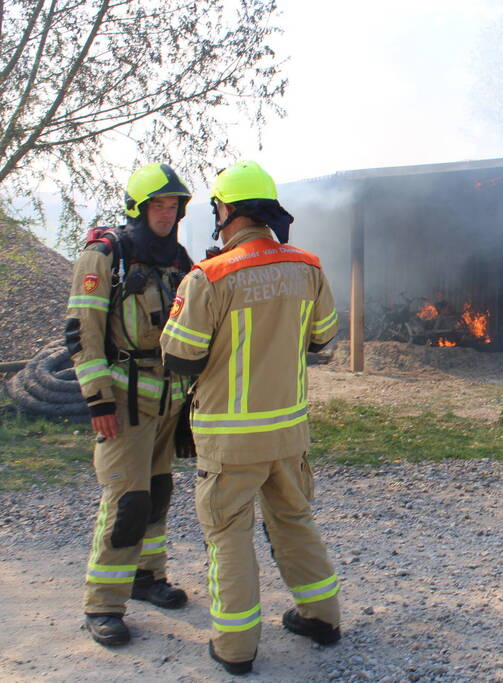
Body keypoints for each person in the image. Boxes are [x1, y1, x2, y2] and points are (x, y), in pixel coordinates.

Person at [160, 160, 341, 675]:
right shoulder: (308, 266)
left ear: (227, 211)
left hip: (229, 442)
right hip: (288, 432)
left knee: (229, 536)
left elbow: (179, 356)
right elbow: (323, 338)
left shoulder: (211, 275)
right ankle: (322, 617)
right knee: (294, 521)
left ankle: (236, 649)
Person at [66, 163, 194, 646]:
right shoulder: (106, 255)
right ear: (138, 209)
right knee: (127, 501)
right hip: (122, 404)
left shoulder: (177, 259)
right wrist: (97, 400)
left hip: (168, 403)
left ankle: (147, 577)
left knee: (157, 493)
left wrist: (187, 406)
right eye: (158, 205)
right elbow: (84, 331)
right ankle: (103, 603)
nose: (166, 214)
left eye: (173, 206)